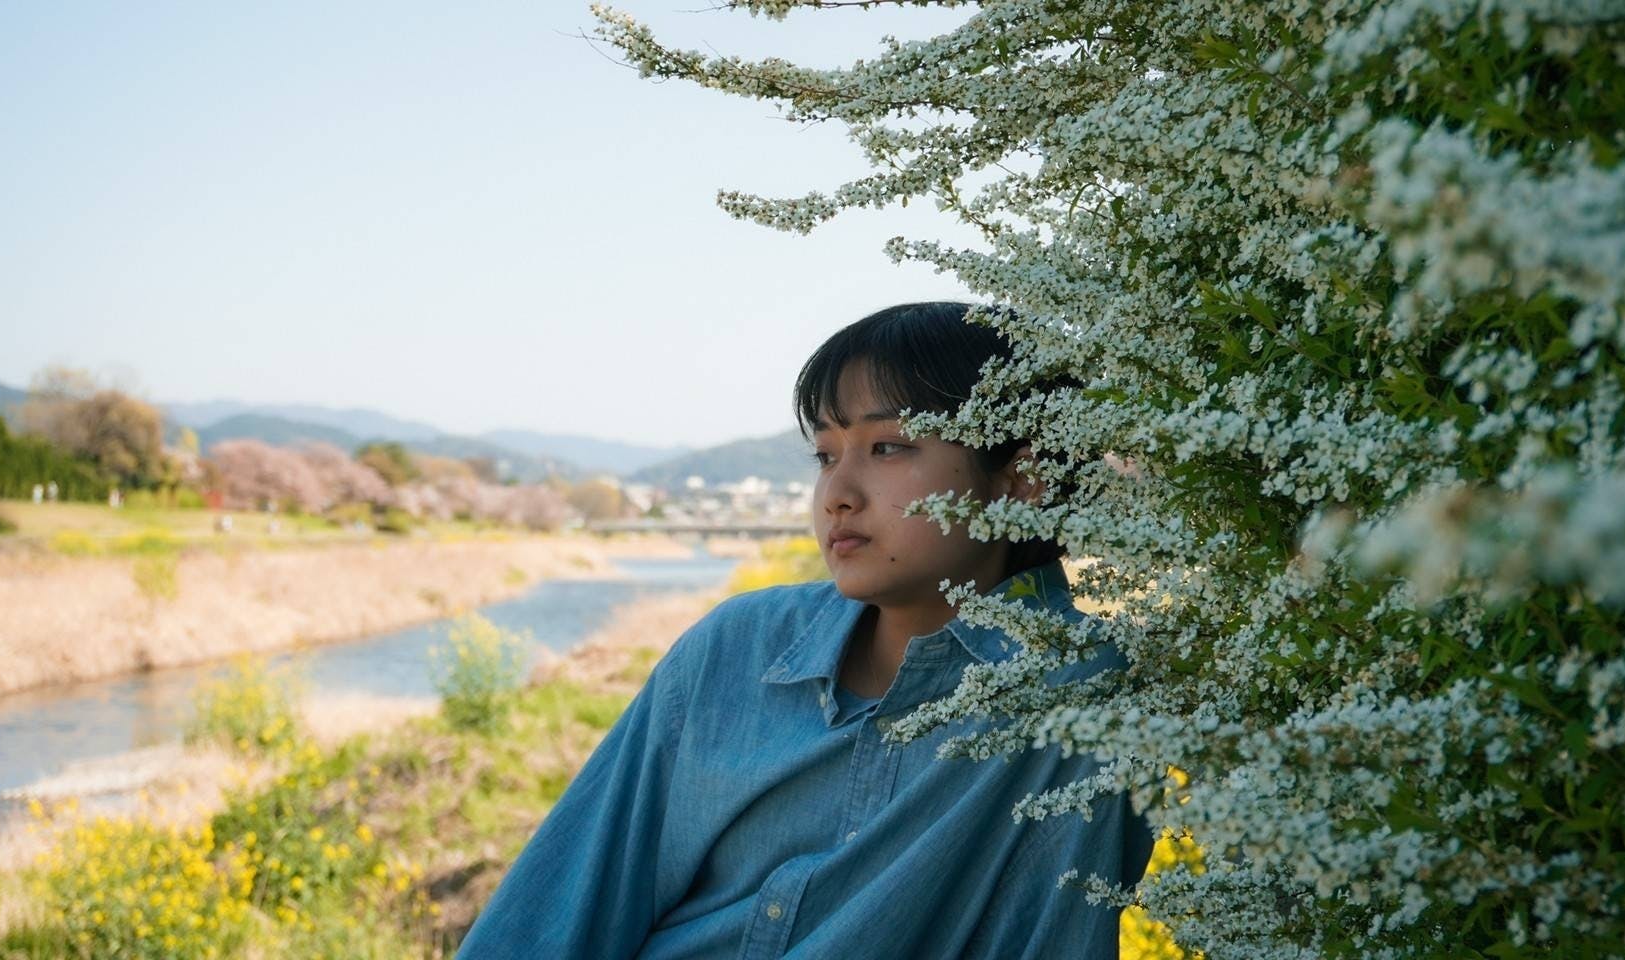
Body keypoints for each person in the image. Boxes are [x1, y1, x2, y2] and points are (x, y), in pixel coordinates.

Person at [455, 302, 1153, 959]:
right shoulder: (738, 647)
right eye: (825, 455)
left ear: (1021, 478)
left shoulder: (1082, 700)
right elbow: (559, 908)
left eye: (887, 447)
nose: (836, 495)